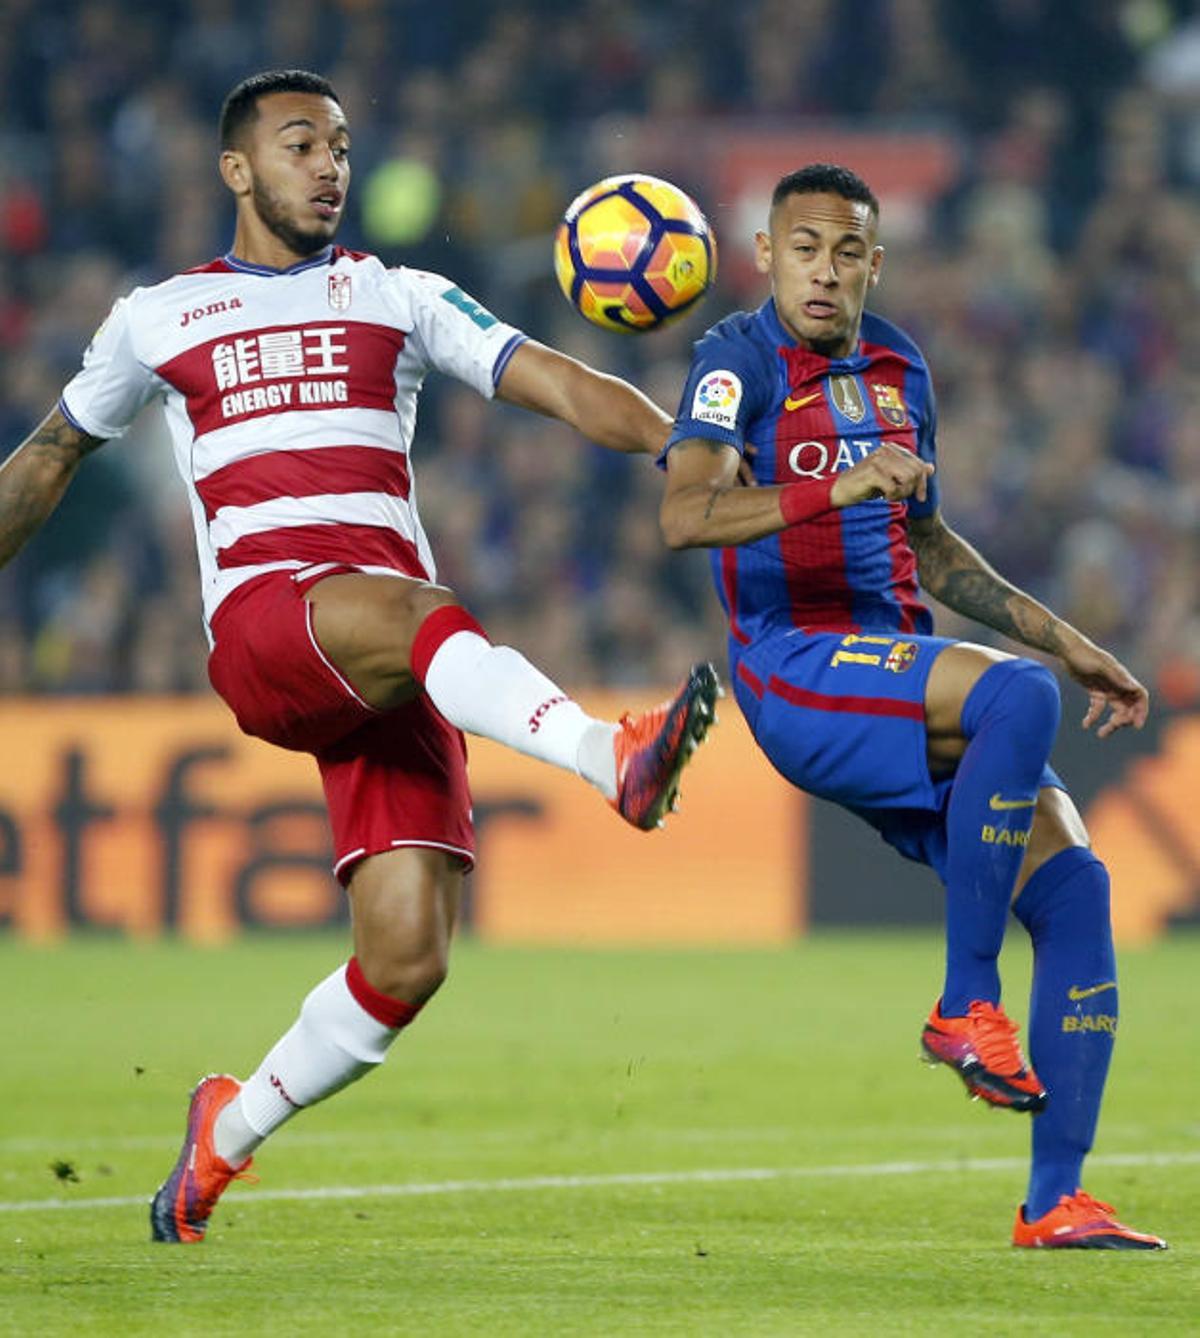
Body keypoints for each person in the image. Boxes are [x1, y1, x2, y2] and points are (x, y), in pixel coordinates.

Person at [0, 69, 720, 1244]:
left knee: (406, 957)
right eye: (301, 145)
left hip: (392, 657)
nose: (330, 166)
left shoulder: (399, 296)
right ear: (237, 169)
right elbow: (47, 457)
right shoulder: (159, 316)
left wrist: (685, 453)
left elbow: (557, 381)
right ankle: (609, 756)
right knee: (416, 609)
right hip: (270, 627)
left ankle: (223, 1136)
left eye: (339, 146)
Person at [658, 163, 1166, 1250]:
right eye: (804, 249)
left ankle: (1056, 1201)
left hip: (895, 668)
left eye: (847, 252)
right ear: (765, 255)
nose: (824, 272)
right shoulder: (733, 361)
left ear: (874, 263)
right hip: (796, 665)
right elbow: (684, 515)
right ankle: (963, 1004)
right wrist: (831, 487)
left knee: (1077, 890)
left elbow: (930, 548)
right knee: (1014, 698)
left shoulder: (900, 368)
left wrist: (1071, 640)